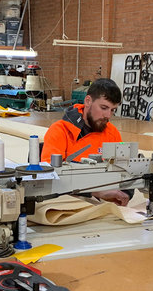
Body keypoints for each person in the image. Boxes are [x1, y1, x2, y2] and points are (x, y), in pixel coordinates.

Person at [41, 78, 131, 206]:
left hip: (97, 207)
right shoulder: (60, 131)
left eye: (113, 110)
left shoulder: (112, 133)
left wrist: (125, 194)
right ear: (88, 101)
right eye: (104, 107)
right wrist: (96, 192)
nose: (108, 115)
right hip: (64, 206)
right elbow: (50, 179)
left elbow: (126, 173)